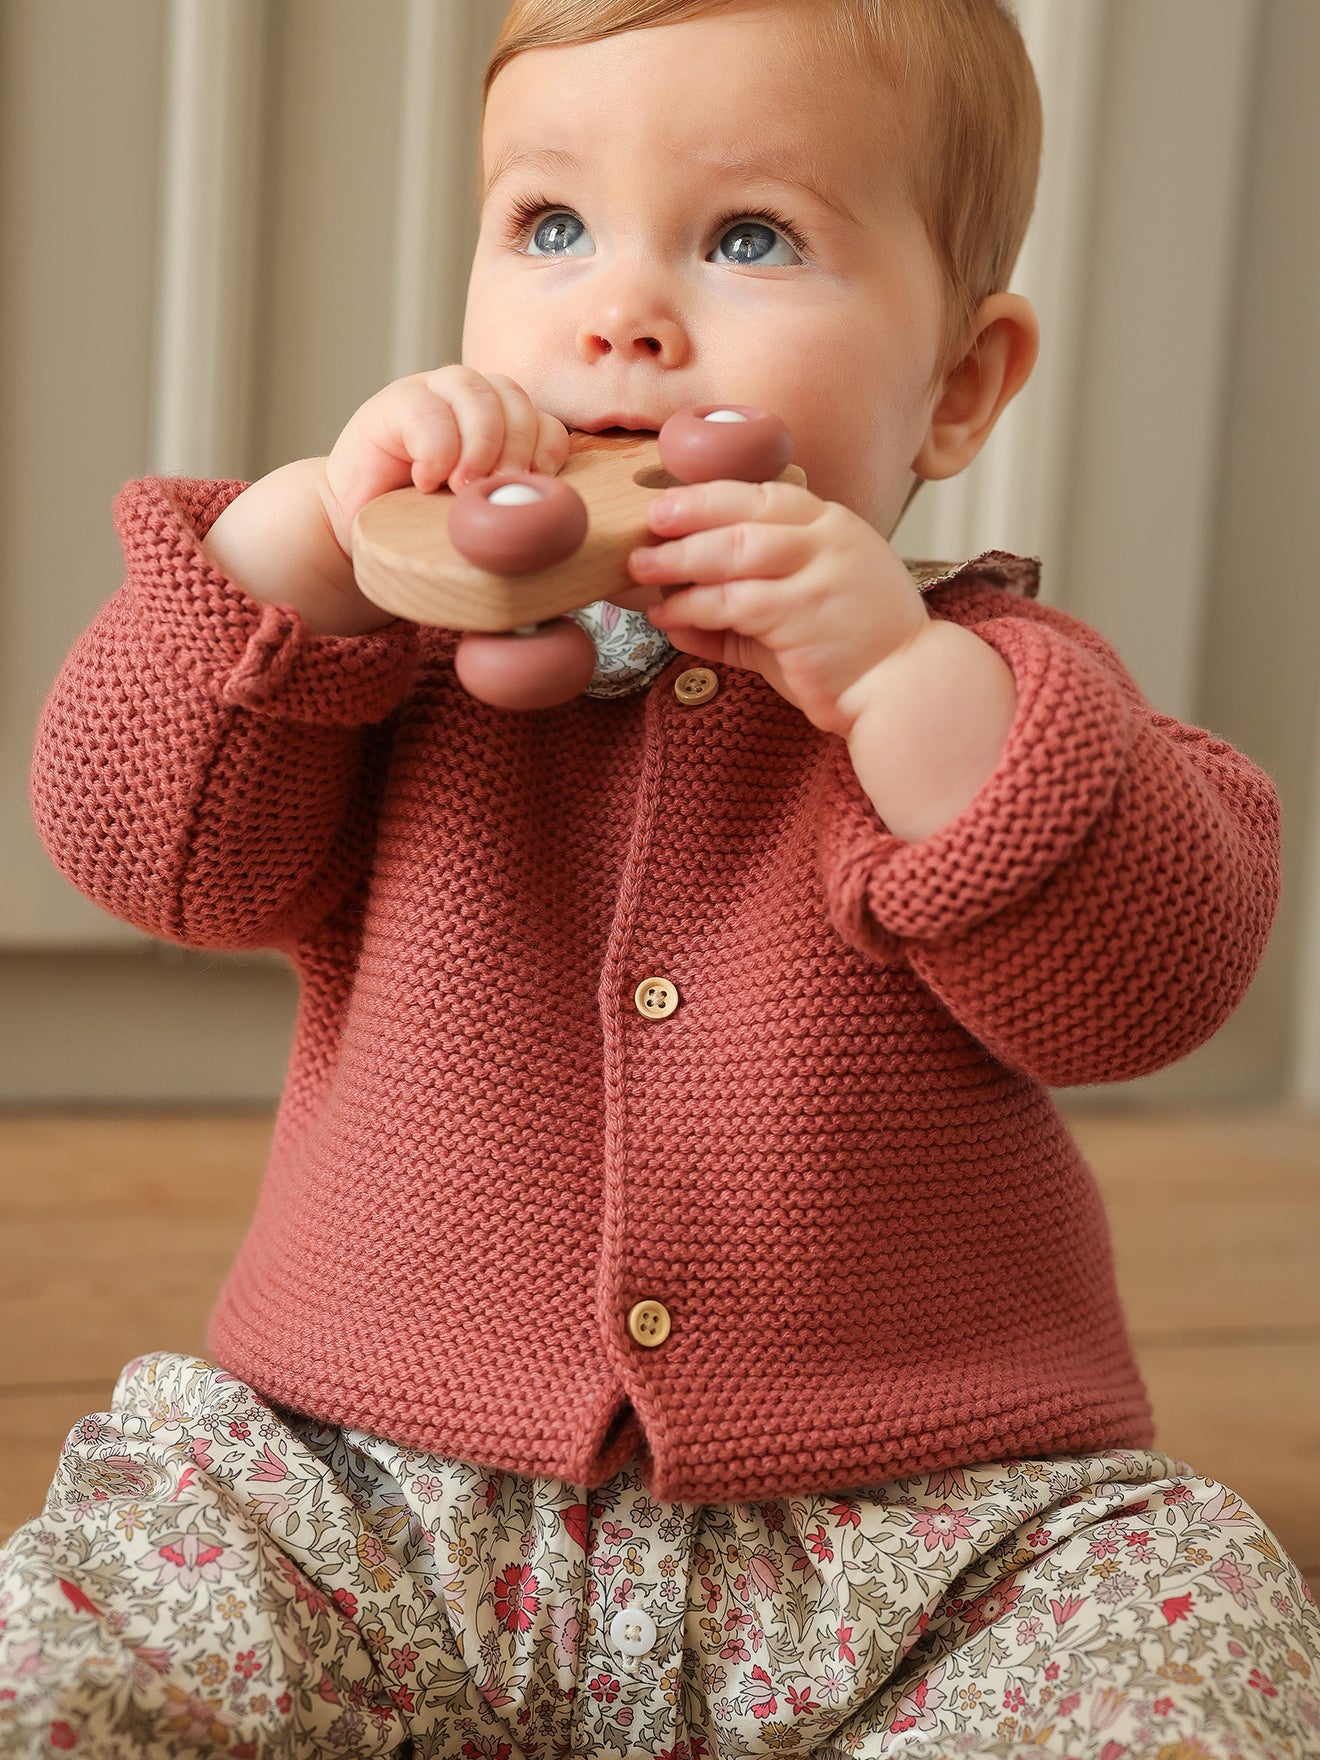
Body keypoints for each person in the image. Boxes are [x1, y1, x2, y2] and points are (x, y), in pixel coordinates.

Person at [4, 0, 1317, 1754]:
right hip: (365, 1501)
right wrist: (305, 540)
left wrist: (899, 694)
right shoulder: (372, 662)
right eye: (548, 227)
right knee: (73, 1646)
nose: (616, 311)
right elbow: (137, 846)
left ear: (958, 385)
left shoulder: (993, 693)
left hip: (910, 1534)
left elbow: (1155, 984)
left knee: (1195, 1631)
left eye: (751, 235)